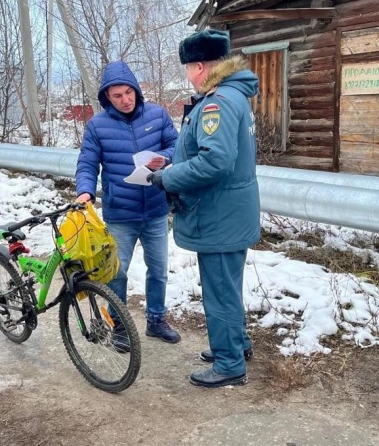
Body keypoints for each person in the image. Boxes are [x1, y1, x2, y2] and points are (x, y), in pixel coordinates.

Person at [147, 30, 260, 388]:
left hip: (218, 213)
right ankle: (235, 345)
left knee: (219, 292)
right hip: (228, 209)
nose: (187, 76)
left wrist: (168, 177)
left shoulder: (218, 102)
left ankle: (229, 364)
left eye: (187, 69)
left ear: (199, 66)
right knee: (228, 285)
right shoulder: (232, 95)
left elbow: (216, 161)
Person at [75, 60, 181, 350]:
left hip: (156, 209)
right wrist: (84, 191)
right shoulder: (97, 126)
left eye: (128, 92)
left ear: (135, 89)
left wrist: (166, 158)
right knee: (117, 273)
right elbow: (87, 163)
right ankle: (119, 326)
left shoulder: (158, 116)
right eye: (117, 95)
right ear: (107, 98)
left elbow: (178, 146)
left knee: (158, 269)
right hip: (120, 213)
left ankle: (156, 319)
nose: (125, 100)